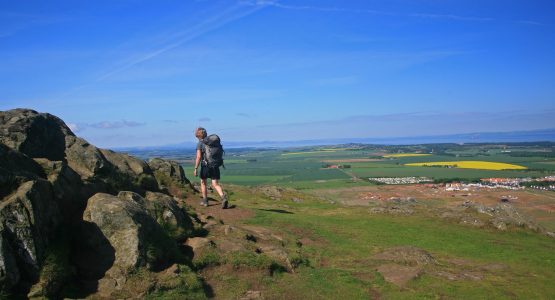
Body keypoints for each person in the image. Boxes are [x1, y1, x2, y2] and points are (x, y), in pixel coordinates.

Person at [193, 127, 228, 208]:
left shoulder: (200, 143)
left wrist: (195, 168)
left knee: (203, 182)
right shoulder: (212, 142)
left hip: (205, 166)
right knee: (215, 184)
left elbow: (198, 157)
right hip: (215, 165)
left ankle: (205, 201)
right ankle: (223, 197)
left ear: (198, 135)